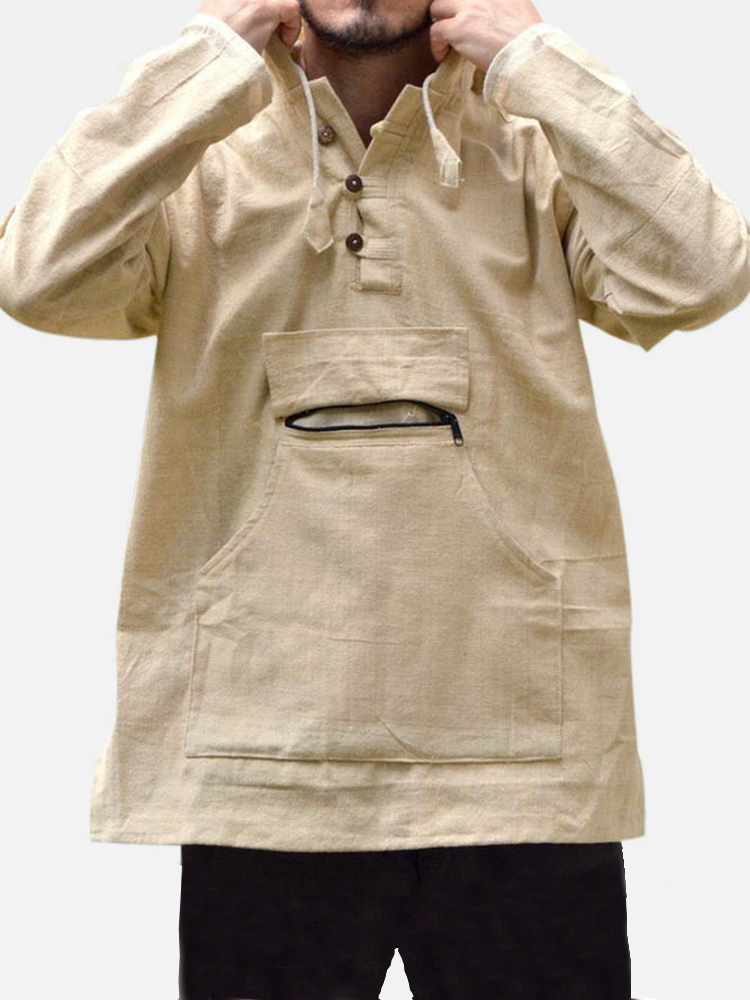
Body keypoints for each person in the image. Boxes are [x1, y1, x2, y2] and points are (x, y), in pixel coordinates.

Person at [1, 1, 748, 997]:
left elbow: (700, 276)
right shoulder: (200, 153)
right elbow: (37, 276)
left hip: (524, 763)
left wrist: (537, 60)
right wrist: (206, 56)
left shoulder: (532, 145)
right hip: (265, 763)